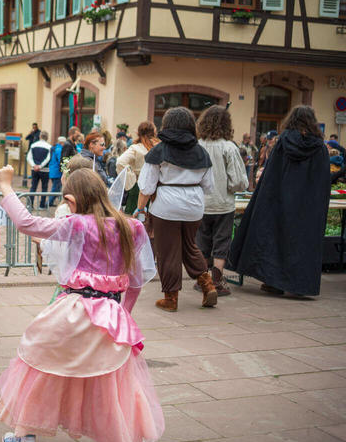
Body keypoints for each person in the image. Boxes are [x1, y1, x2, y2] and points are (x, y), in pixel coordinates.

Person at [0, 165, 163, 442]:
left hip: (74, 311)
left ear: (72, 200)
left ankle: (25, 439)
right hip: (113, 314)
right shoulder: (131, 227)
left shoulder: (76, 224)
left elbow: (26, 222)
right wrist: (122, 316)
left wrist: (6, 186)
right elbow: (136, 282)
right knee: (117, 380)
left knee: (44, 368)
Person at [227, 105, 330, 296]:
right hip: (308, 206)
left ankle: (274, 283)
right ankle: (300, 286)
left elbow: (270, 177)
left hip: (280, 202)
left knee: (276, 240)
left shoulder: (283, 142)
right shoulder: (320, 148)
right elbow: (322, 182)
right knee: (302, 243)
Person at [136, 107, 217, 312]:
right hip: (194, 206)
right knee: (190, 246)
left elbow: (146, 187)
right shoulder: (201, 152)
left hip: (166, 207)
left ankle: (171, 298)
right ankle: (208, 285)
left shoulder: (159, 151)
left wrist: (140, 209)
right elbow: (209, 186)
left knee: (168, 252)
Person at [194, 106, 248, 297]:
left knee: (201, 242)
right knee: (221, 242)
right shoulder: (229, 147)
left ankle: (202, 279)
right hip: (223, 203)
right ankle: (216, 280)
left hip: (200, 203)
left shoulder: (197, 145)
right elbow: (238, 181)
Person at [116, 121, 159, 214]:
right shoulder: (159, 147)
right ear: (154, 132)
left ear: (138, 133)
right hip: (157, 187)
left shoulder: (136, 148)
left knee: (134, 222)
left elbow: (120, 162)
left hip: (139, 186)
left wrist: (131, 180)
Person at [27, 131, 51, 210]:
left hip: (34, 169)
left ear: (40, 136)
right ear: (47, 137)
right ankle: (42, 205)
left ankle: (30, 205)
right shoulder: (49, 147)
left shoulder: (33, 145)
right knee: (44, 188)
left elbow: (29, 157)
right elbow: (48, 158)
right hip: (45, 170)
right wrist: (40, 166)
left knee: (33, 187)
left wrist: (34, 165)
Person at [47, 136, 64, 206]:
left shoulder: (54, 148)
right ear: (62, 142)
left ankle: (50, 202)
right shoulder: (59, 149)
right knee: (55, 188)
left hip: (53, 170)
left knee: (56, 187)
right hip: (57, 171)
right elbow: (61, 160)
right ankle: (49, 202)